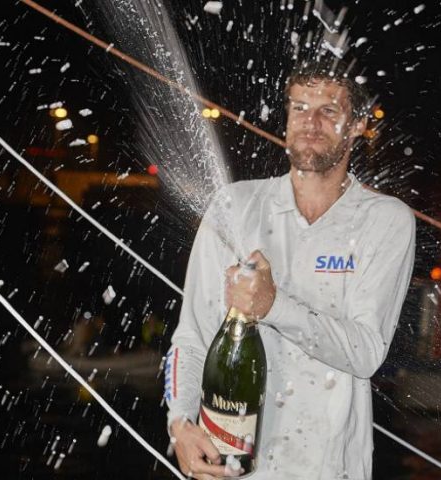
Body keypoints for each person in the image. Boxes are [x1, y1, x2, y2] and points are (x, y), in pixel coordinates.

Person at [163, 60, 416, 479]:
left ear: (356, 125)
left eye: (328, 111)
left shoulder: (385, 220)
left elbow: (367, 352)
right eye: (299, 108)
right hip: (231, 468)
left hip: (329, 469)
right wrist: (179, 424)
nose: (310, 122)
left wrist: (273, 304)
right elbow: (190, 337)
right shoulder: (234, 207)